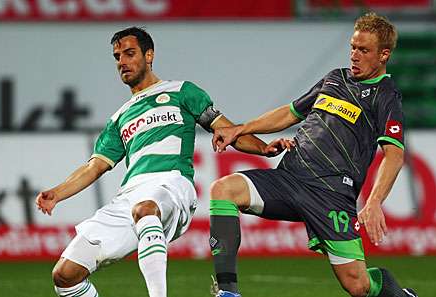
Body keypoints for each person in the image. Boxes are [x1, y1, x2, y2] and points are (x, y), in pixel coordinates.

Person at [35, 27, 283, 297]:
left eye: (130, 54)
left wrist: (264, 148)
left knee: (146, 208)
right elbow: (94, 166)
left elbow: (228, 130)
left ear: (149, 55)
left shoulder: (182, 92)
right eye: (117, 56)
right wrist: (57, 193)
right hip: (128, 198)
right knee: (65, 275)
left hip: (171, 184)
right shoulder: (119, 118)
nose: (122, 62)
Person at [209, 13, 418, 297]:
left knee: (358, 286)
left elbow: (394, 155)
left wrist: (374, 202)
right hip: (290, 178)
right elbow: (290, 112)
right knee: (223, 189)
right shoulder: (335, 78)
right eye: (353, 47)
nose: (355, 56)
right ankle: (228, 292)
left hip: (331, 195)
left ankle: (400, 294)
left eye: (364, 50)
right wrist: (240, 128)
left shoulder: (386, 95)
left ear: (384, 55)